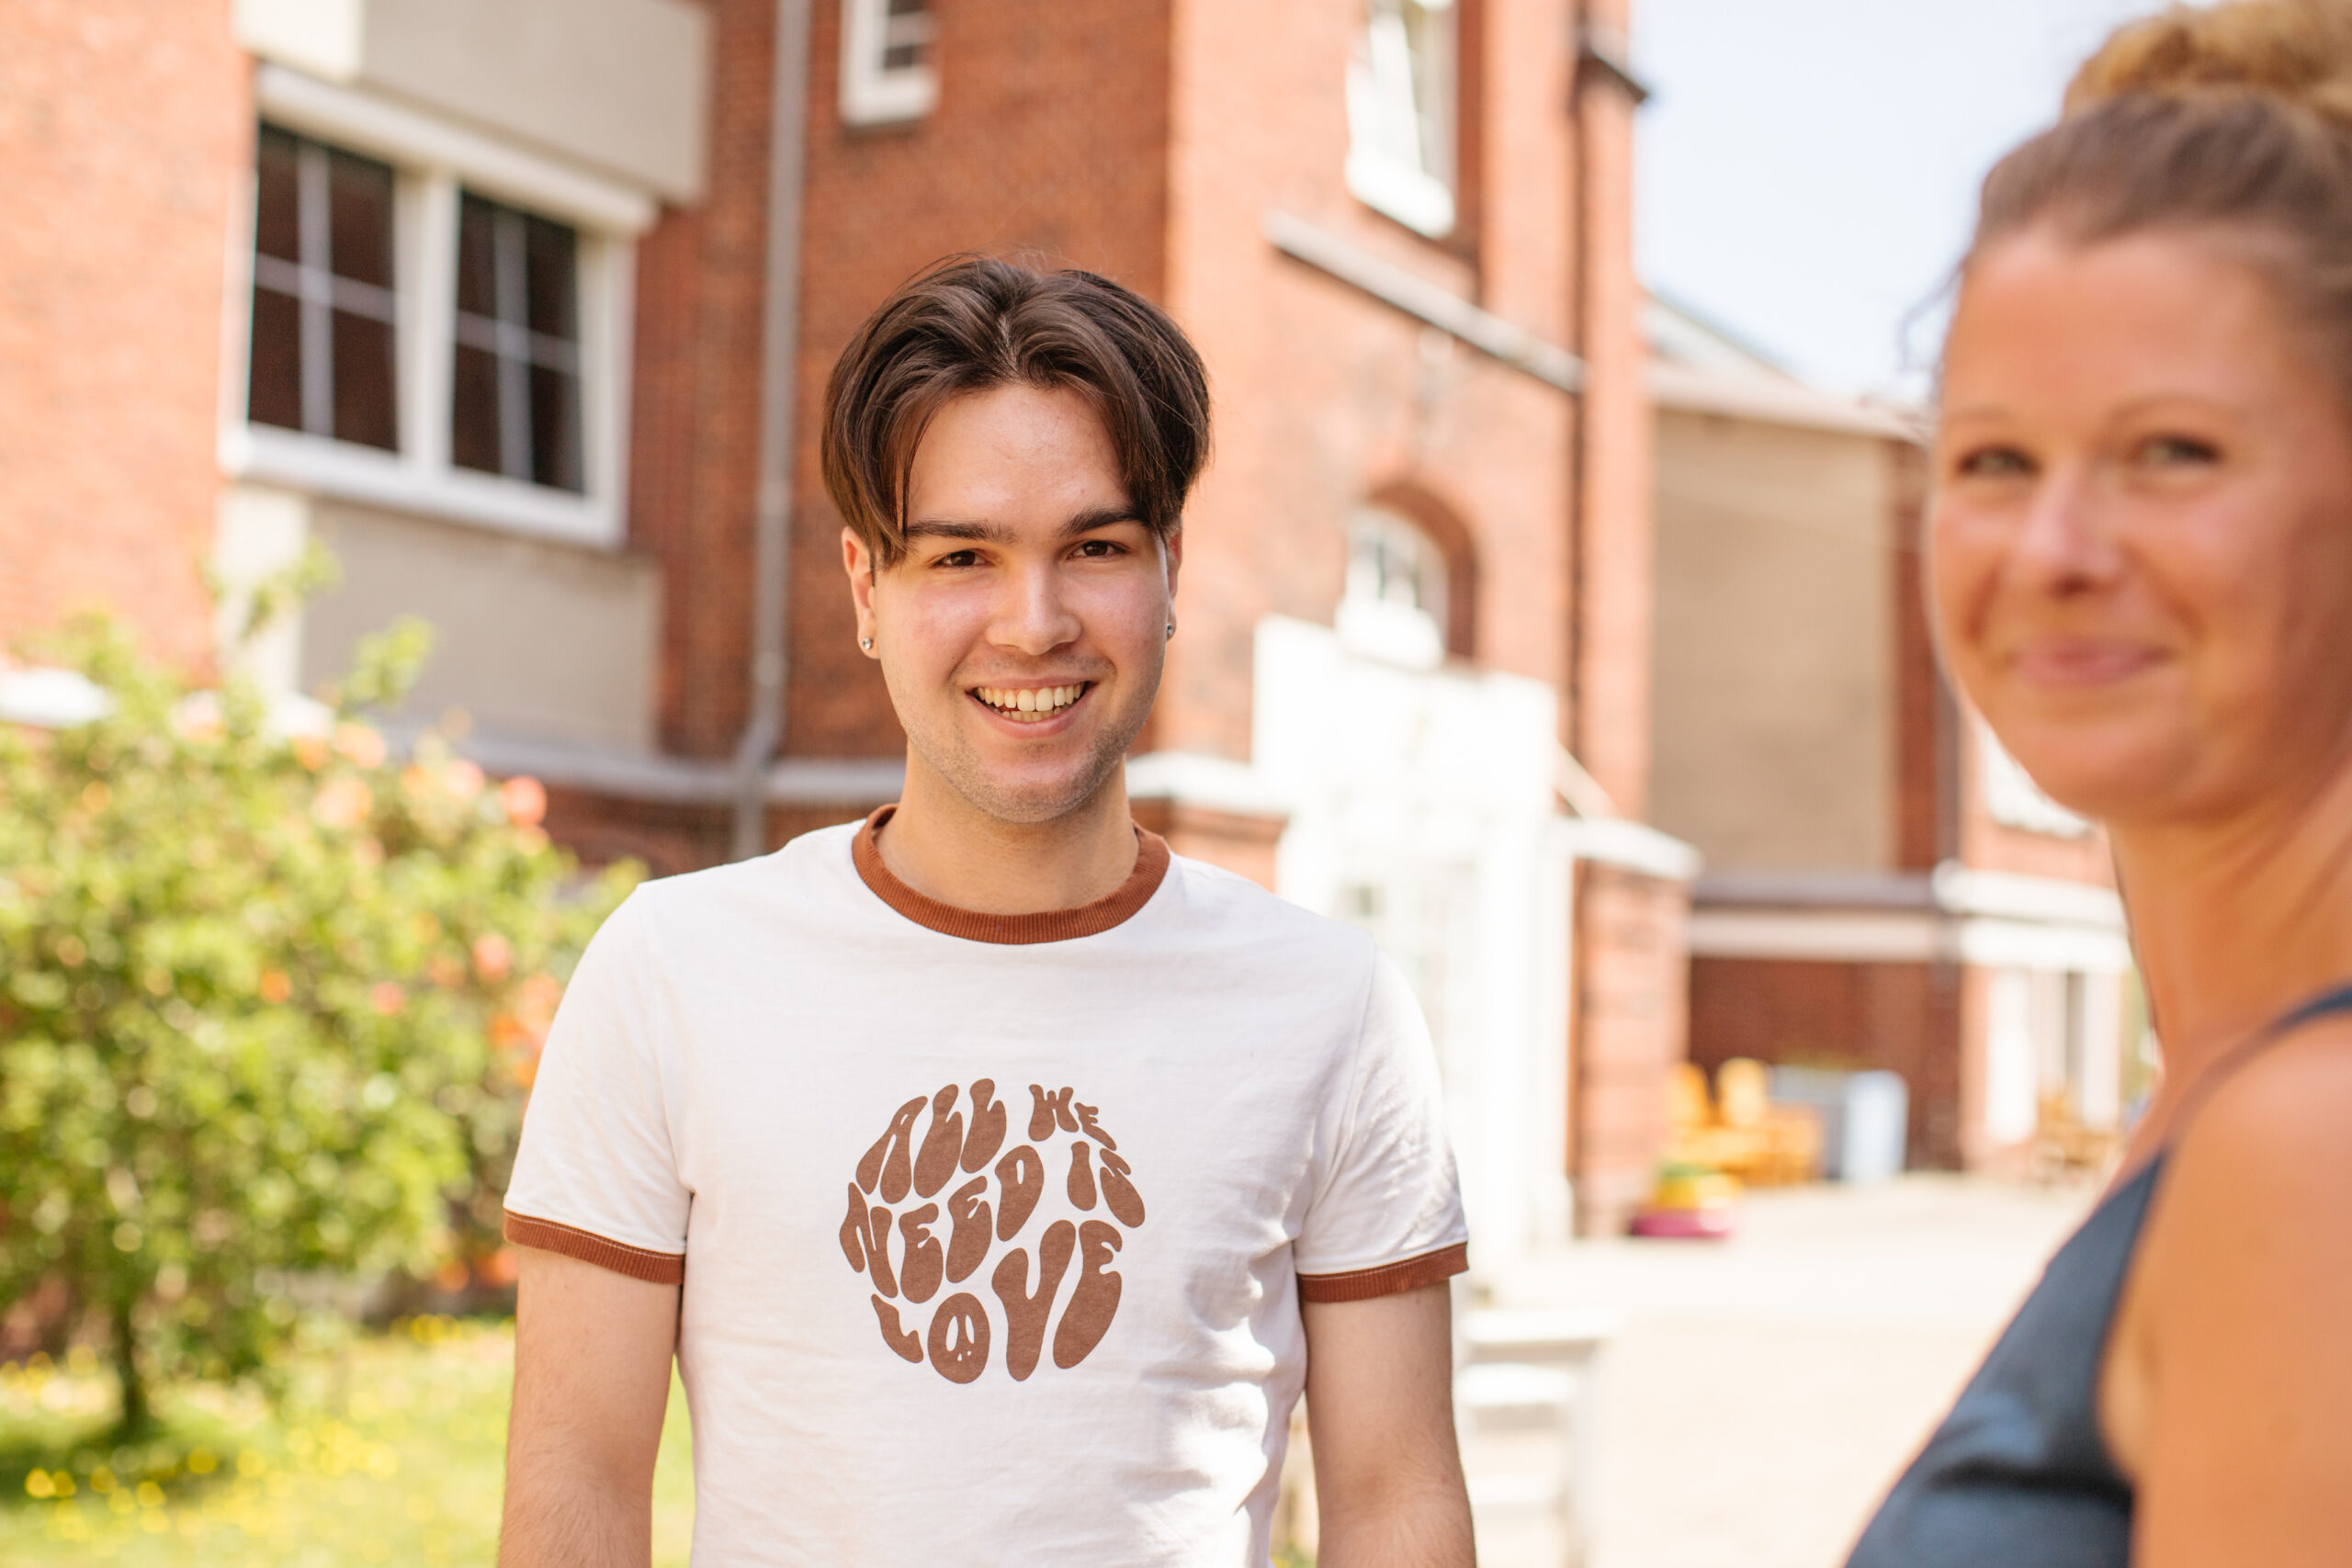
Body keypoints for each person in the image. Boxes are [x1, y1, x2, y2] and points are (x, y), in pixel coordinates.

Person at [494, 255, 1476, 1567]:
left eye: (1096, 548)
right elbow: (578, 1493)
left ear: (1170, 570)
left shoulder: (1331, 1007)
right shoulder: (675, 970)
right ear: (864, 591)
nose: (1034, 622)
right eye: (962, 554)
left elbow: (1396, 1499)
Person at [1848, 3, 2352, 1564]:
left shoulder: (2313, 1150)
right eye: (1993, 461)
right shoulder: (2227, 1093)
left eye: (2171, 453)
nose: (2054, 554)